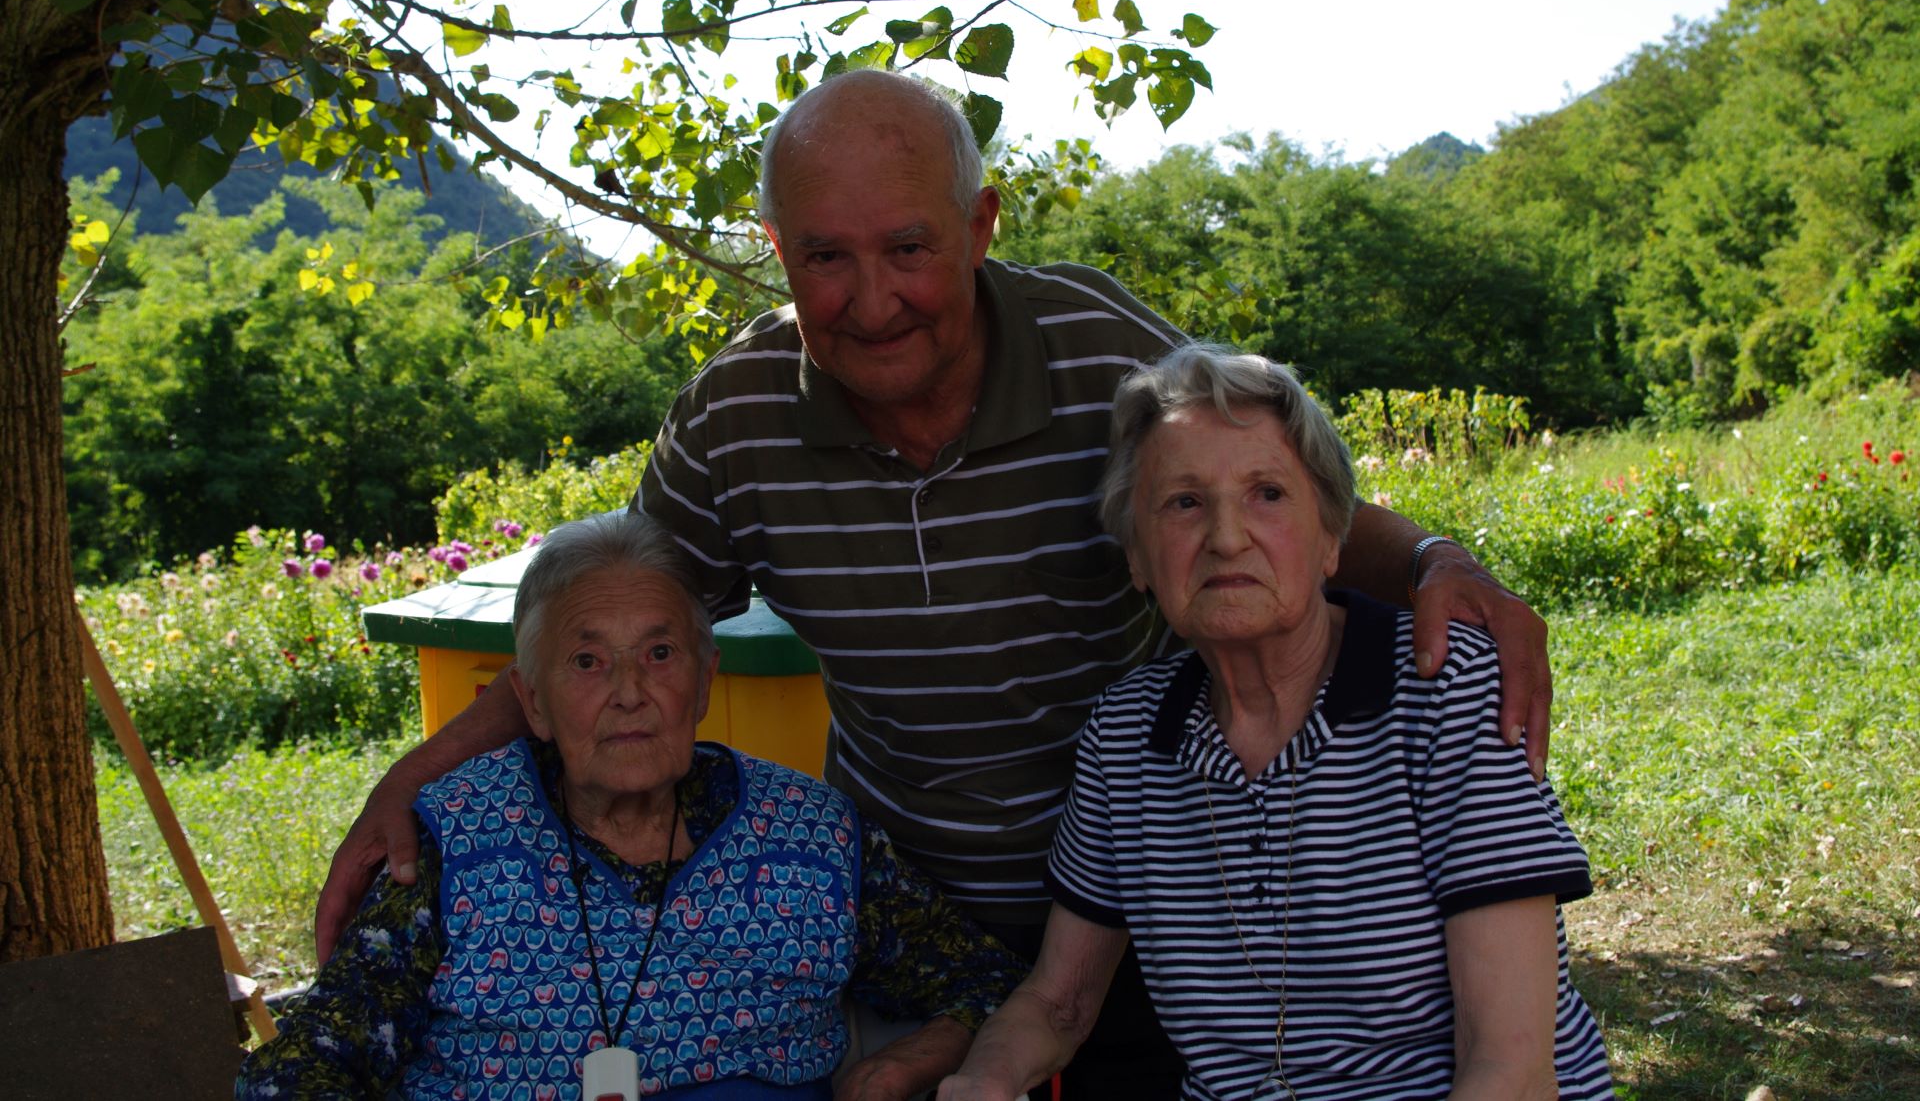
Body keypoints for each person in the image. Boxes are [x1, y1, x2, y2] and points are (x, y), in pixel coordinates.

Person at [318, 69, 1555, 1097]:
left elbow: (1262, 480)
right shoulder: (738, 418)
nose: (870, 302)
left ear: (979, 226)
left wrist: (1446, 564)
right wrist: (417, 775)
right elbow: (604, 629)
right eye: (825, 258)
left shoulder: (1101, 353)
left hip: (1171, 902)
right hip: (907, 915)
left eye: (909, 247)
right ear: (776, 252)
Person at [936, 344, 1611, 1101]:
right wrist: (985, 1080)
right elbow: (1060, 1000)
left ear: (1332, 540)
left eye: (1268, 495)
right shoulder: (1125, 736)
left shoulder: (1442, 690)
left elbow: (1510, 1071)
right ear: (1138, 559)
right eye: (1183, 502)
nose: (1227, 538)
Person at [245, 512, 1025, 1100]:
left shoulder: (814, 838)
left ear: (704, 681)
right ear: (533, 702)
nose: (629, 693)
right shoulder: (455, 841)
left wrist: (907, 1063)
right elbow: (321, 1059)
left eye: (659, 654)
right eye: (587, 661)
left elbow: (988, 982)